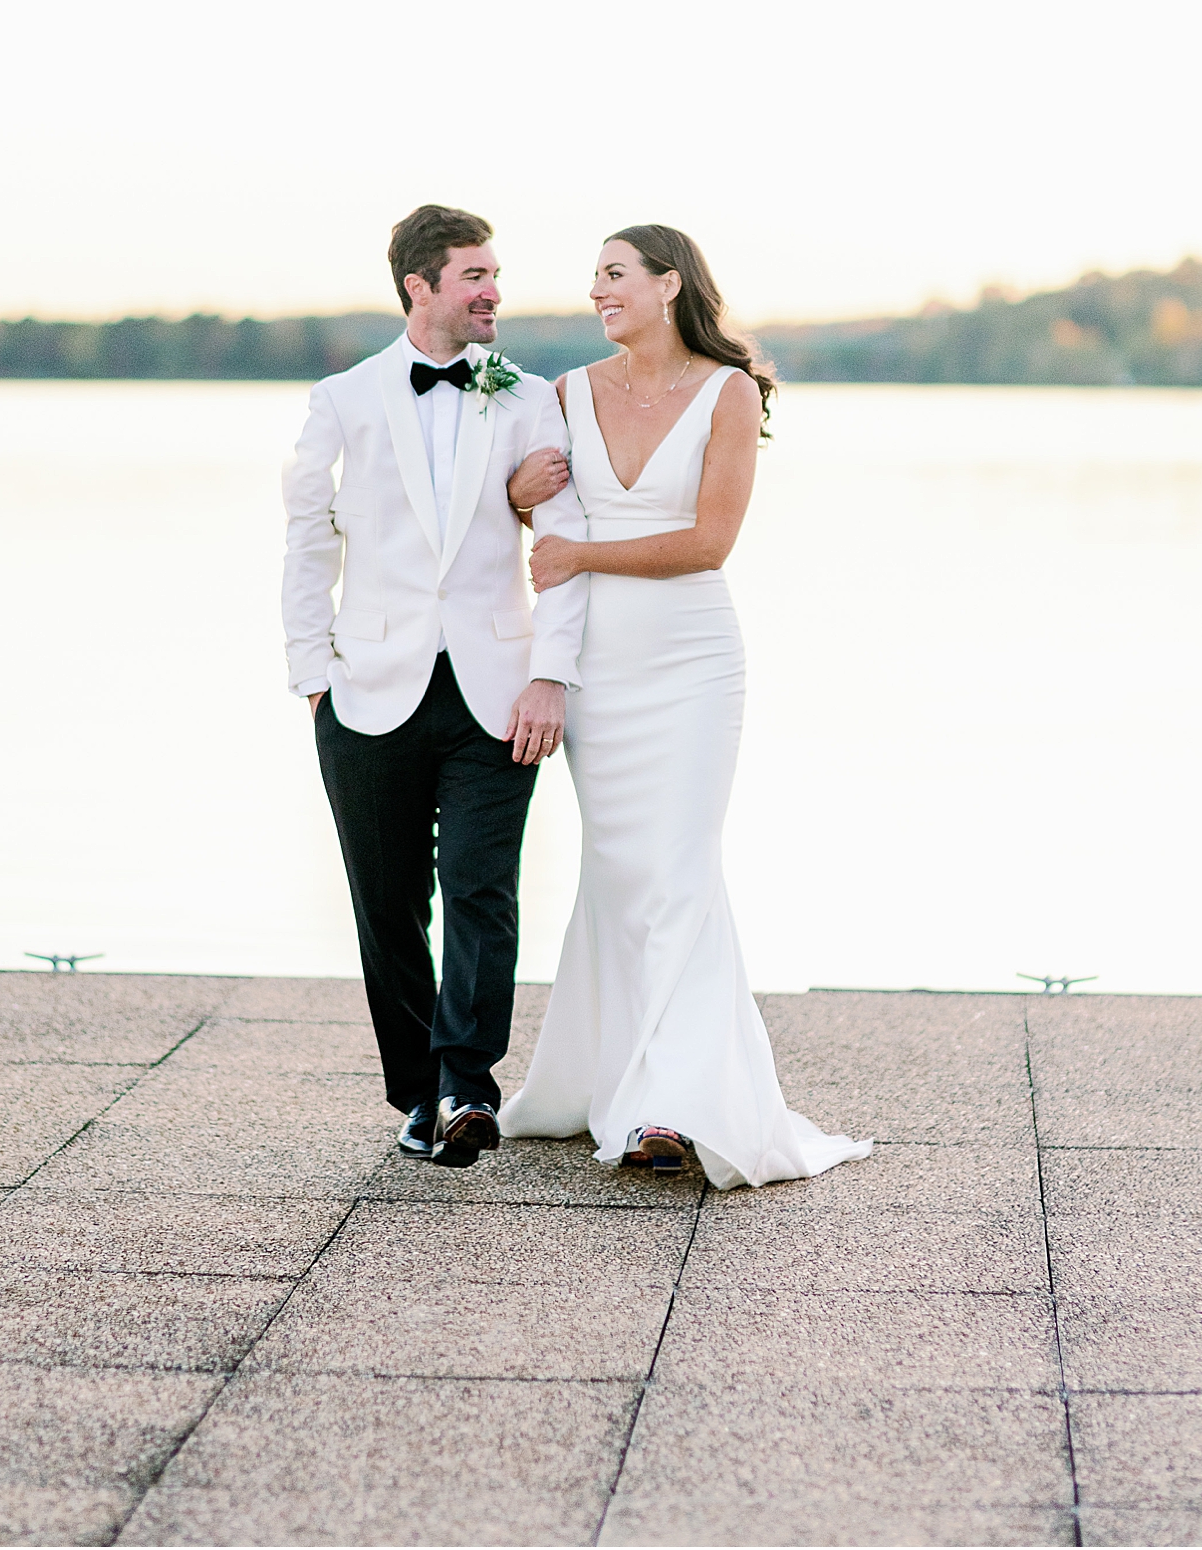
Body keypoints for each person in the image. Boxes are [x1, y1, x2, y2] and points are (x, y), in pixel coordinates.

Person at [498, 225, 871, 1189]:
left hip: (693, 664)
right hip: (598, 671)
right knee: (622, 872)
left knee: (677, 868)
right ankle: (612, 1076)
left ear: (670, 285)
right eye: (594, 279)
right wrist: (515, 494)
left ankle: (674, 1106)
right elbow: (538, 516)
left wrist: (579, 555)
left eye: (615, 275)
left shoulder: (728, 390)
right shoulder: (566, 394)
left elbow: (709, 541)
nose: (597, 292)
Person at [281, 205, 588, 1166]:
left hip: (499, 690)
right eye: (474, 276)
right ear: (420, 287)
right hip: (367, 689)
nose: (494, 290)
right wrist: (311, 676)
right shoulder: (344, 398)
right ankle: (418, 1093)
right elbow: (306, 538)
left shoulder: (530, 396)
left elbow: (568, 552)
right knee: (388, 903)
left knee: (482, 892)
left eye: (496, 274)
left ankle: (467, 1087)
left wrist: (551, 674)